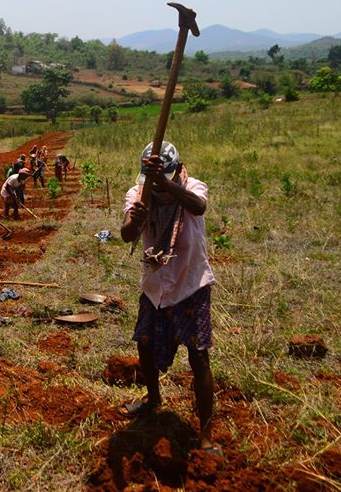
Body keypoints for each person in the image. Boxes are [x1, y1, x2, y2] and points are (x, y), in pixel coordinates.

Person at [118, 142, 218, 455]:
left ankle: (206, 435)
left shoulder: (190, 187)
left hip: (190, 284)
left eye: (161, 182)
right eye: (152, 183)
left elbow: (199, 206)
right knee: (144, 343)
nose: (156, 190)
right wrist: (137, 219)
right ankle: (154, 398)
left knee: (198, 356)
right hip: (156, 285)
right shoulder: (138, 194)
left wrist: (167, 186)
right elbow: (126, 235)